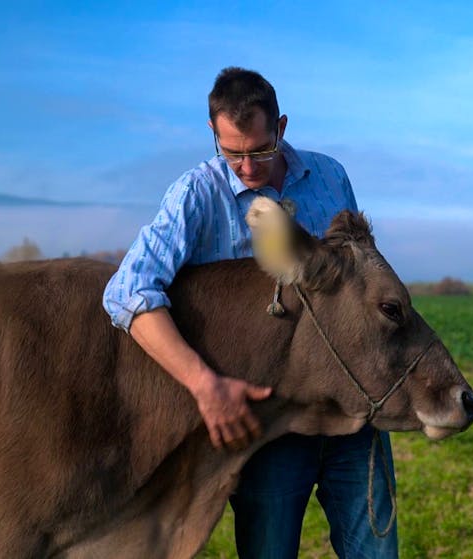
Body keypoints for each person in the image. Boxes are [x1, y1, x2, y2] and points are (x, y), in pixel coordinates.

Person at [103, 67, 398, 559]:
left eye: (260, 151)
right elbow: (128, 292)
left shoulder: (330, 176)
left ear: (281, 128)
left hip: (351, 417)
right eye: (231, 152)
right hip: (270, 426)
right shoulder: (196, 195)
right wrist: (205, 386)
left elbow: (359, 283)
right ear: (213, 133)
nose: (246, 167)